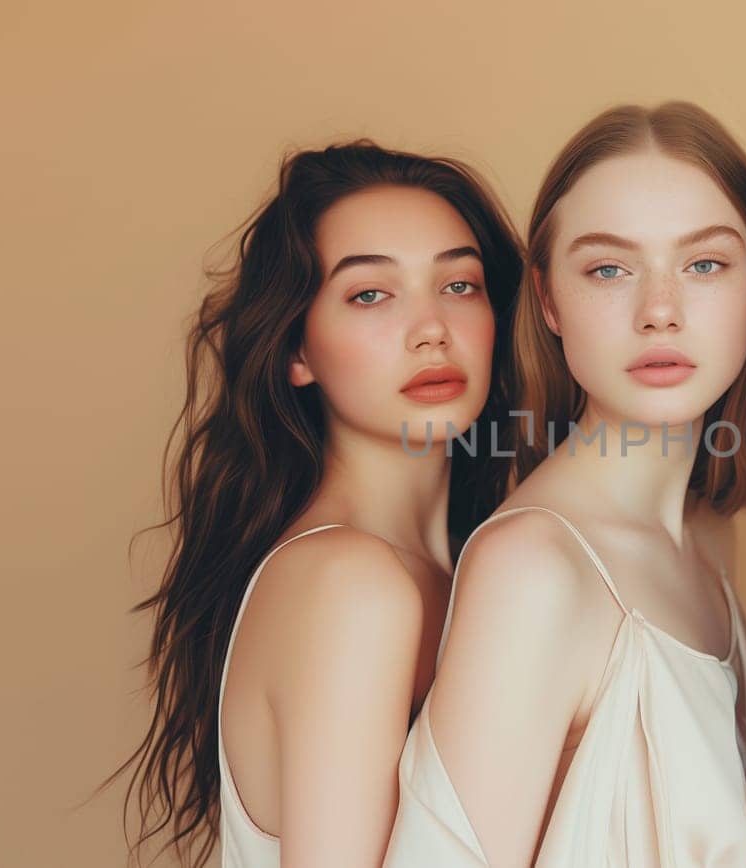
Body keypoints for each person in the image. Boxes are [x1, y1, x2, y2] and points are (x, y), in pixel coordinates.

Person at [114, 141, 523, 868]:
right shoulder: (347, 583)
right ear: (296, 352)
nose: (431, 328)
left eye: (459, 285)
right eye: (371, 294)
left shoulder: (473, 566)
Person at [385, 102, 746, 867]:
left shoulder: (710, 539)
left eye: (705, 264)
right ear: (550, 301)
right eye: (608, 269)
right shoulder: (532, 568)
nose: (660, 311)